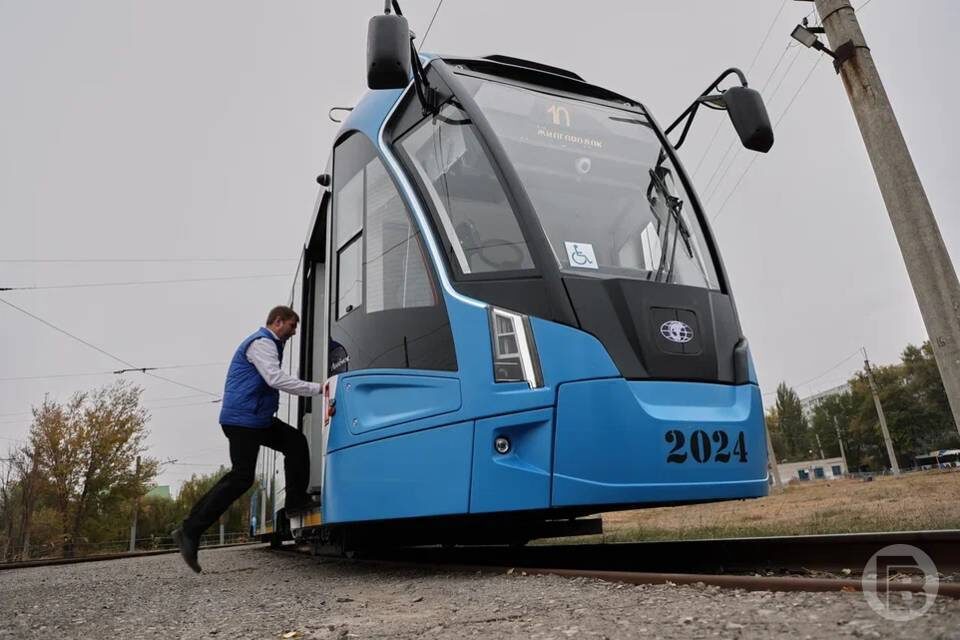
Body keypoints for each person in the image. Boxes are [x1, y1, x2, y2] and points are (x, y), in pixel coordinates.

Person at [172, 305, 321, 573]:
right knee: (242, 477)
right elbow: (275, 379)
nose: (294, 331)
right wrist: (318, 389)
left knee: (295, 442)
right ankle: (190, 530)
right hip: (243, 421)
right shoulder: (262, 343)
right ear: (278, 322)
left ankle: (294, 501)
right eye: (292, 325)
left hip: (256, 419)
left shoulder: (269, 344)